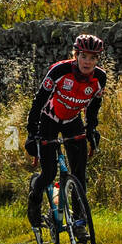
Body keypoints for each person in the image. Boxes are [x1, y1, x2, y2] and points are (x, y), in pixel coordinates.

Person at [24, 33, 106, 230]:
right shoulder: (59, 71)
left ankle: (79, 223)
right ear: (76, 55)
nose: (88, 62)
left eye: (93, 58)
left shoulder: (99, 78)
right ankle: (34, 200)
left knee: (79, 174)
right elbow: (39, 101)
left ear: (97, 60)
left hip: (72, 120)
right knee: (50, 172)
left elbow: (93, 107)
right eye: (84, 56)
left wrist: (92, 129)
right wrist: (31, 131)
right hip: (48, 120)